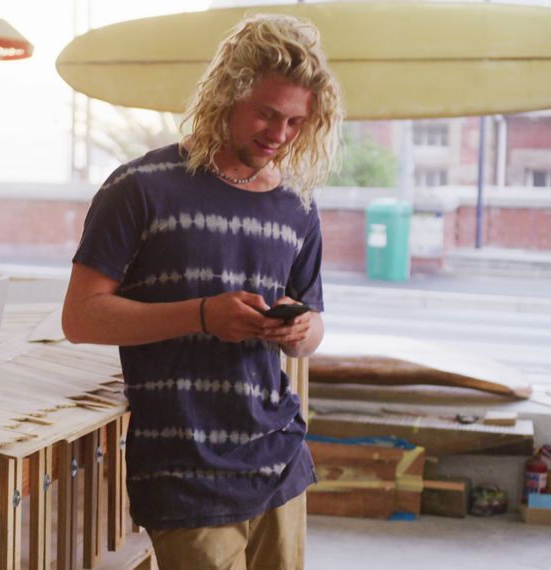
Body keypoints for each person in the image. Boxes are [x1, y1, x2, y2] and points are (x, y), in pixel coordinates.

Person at [62, 13, 342, 570]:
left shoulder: (297, 207)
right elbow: (81, 318)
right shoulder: (139, 188)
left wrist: (302, 331)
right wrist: (201, 315)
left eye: (294, 122)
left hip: (279, 457)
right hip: (183, 469)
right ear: (226, 92)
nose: (279, 135)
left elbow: (312, 327)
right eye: (266, 113)